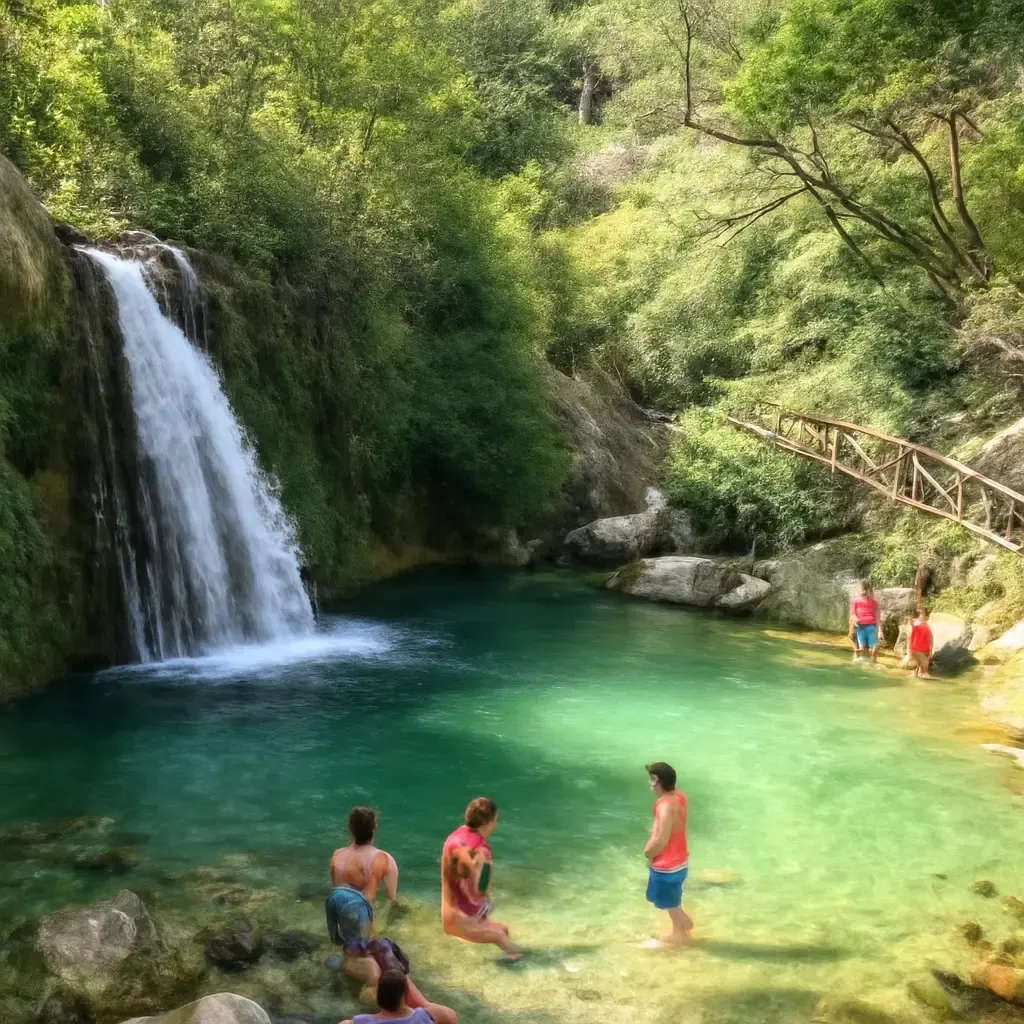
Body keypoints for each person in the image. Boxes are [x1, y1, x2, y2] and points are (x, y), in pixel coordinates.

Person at [327, 808, 455, 1024]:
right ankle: (404, 1011)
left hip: (348, 940)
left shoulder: (337, 856)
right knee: (395, 976)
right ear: (375, 829)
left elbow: (338, 898)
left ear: (350, 828)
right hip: (369, 935)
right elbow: (390, 899)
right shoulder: (381, 859)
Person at [441, 797, 521, 959]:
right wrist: (488, 903)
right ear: (490, 822)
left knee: (503, 929)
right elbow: (481, 890)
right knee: (509, 945)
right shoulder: (482, 851)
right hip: (463, 922)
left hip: (448, 915)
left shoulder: (454, 836)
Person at [643, 761, 693, 948]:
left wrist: (648, 852)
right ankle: (681, 927)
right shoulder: (679, 796)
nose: (649, 784)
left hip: (667, 866)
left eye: (651, 779)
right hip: (680, 861)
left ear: (657, 781)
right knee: (671, 899)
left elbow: (661, 839)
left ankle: (680, 933)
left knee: (667, 901)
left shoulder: (664, 805)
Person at [341, 969, 456, 1024]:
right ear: (406, 994)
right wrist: (424, 1003)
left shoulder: (363, 1022)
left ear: (379, 995)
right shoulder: (424, 1017)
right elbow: (451, 1017)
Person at [849, 580, 880, 664]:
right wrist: (853, 625)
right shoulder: (856, 601)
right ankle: (871, 658)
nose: (864, 592)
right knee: (864, 647)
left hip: (868, 626)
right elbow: (852, 614)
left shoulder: (873, 602)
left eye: (866, 590)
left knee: (867, 647)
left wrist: (879, 631)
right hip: (861, 627)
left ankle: (873, 659)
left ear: (870, 591)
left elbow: (877, 617)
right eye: (863, 590)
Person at [909, 606, 934, 679]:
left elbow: (931, 636)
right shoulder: (914, 623)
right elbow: (909, 637)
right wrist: (910, 653)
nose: (923, 615)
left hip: (924, 650)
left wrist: (931, 649)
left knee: (919, 670)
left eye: (923, 613)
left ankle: (917, 676)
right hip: (916, 650)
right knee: (922, 669)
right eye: (921, 614)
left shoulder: (925, 624)